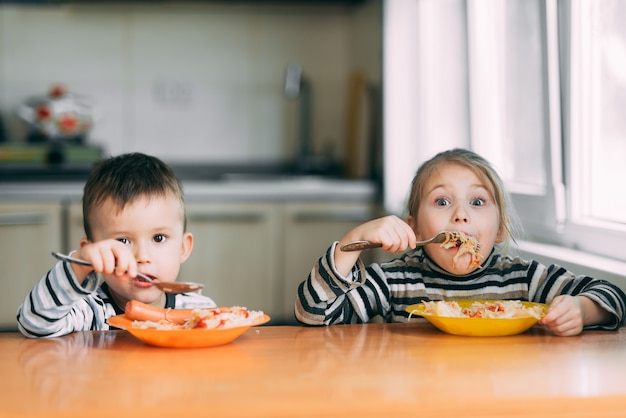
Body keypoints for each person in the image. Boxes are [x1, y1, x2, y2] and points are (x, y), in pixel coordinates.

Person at [295, 148, 626, 336]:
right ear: (412, 226)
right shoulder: (394, 283)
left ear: (499, 230)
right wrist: (352, 242)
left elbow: (613, 295)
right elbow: (312, 315)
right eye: (442, 202)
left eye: (478, 202)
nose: (460, 215)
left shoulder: (524, 279)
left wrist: (582, 310)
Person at [17, 152, 216, 338]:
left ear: (183, 248)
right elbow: (33, 324)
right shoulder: (90, 311)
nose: (142, 257)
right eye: (122, 241)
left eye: (158, 238)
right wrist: (79, 264)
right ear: (93, 252)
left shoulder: (199, 310)